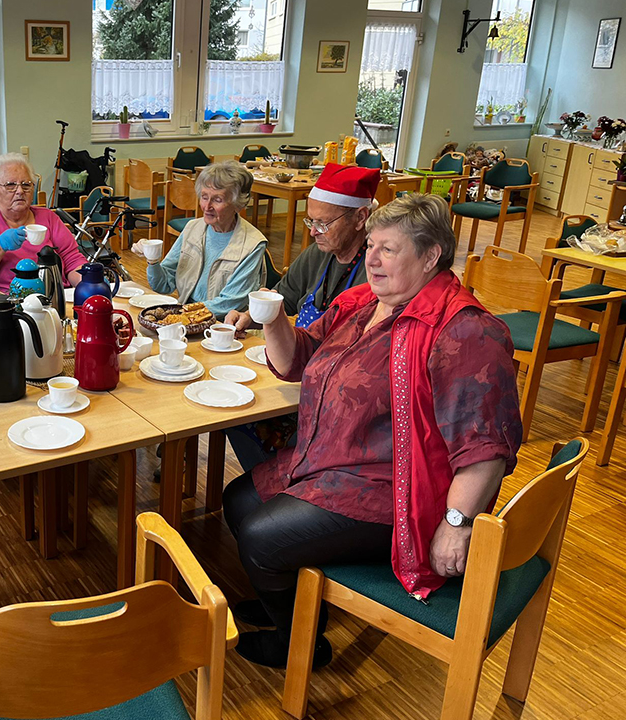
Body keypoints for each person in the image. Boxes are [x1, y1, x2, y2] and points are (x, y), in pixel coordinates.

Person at [220, 194, 522, 669]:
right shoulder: (364, 303)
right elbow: (298, 359)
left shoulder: (464, 331)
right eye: (372, 246)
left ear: (430, 256)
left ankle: (298, 644)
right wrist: (273, 317)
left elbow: (484, 447)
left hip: (394, 490)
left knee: (261, 536)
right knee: (239, 500)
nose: (372, 259)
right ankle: (297, 609)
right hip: (333, 464)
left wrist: (457, 525)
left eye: (389, 249)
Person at [222, 163, 380, 470]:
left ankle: (288, 482)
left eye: (323, 223)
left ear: (361, 218)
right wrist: (248, 317)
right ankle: (274, 485)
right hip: (296, 374)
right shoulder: (317, 254)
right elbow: (285, 298)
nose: (311, 232)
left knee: (244, 418)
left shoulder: (375, 272)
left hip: (335, 398)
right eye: (310, 220)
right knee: (230, 412)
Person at [134, 161, 266, 318]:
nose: (207, 206)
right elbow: (163, 285)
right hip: (187, 316)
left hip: (223, 327)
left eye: (217, 200)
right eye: (204, 197)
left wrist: (178, 313)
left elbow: (228, 304)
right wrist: (152, 260)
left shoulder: (252, 244)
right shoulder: (192, 228)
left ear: (238, 204)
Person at [0, 153, 86, 298]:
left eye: (26, 185)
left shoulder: (48, 218)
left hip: (54, 300)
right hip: (6, 305)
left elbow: (72, 260)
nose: (20, 191)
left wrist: (88, 282)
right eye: (10, 185)